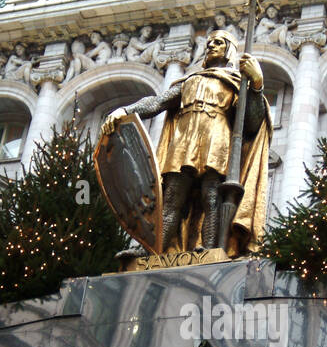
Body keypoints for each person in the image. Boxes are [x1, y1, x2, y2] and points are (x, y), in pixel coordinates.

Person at [100, 31, 272, 256]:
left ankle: (210, 249)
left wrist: (256, 85)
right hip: (184, 140)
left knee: (212, 196)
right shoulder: (190, 80)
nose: (211, 46)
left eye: (218, 43)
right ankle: (152, 250)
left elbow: (251, 123)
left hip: (216, 137)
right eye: (209, 43)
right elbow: (157, 103)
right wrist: (126, 111)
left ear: (229, 49)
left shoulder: (237, 83)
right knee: (170, 199)